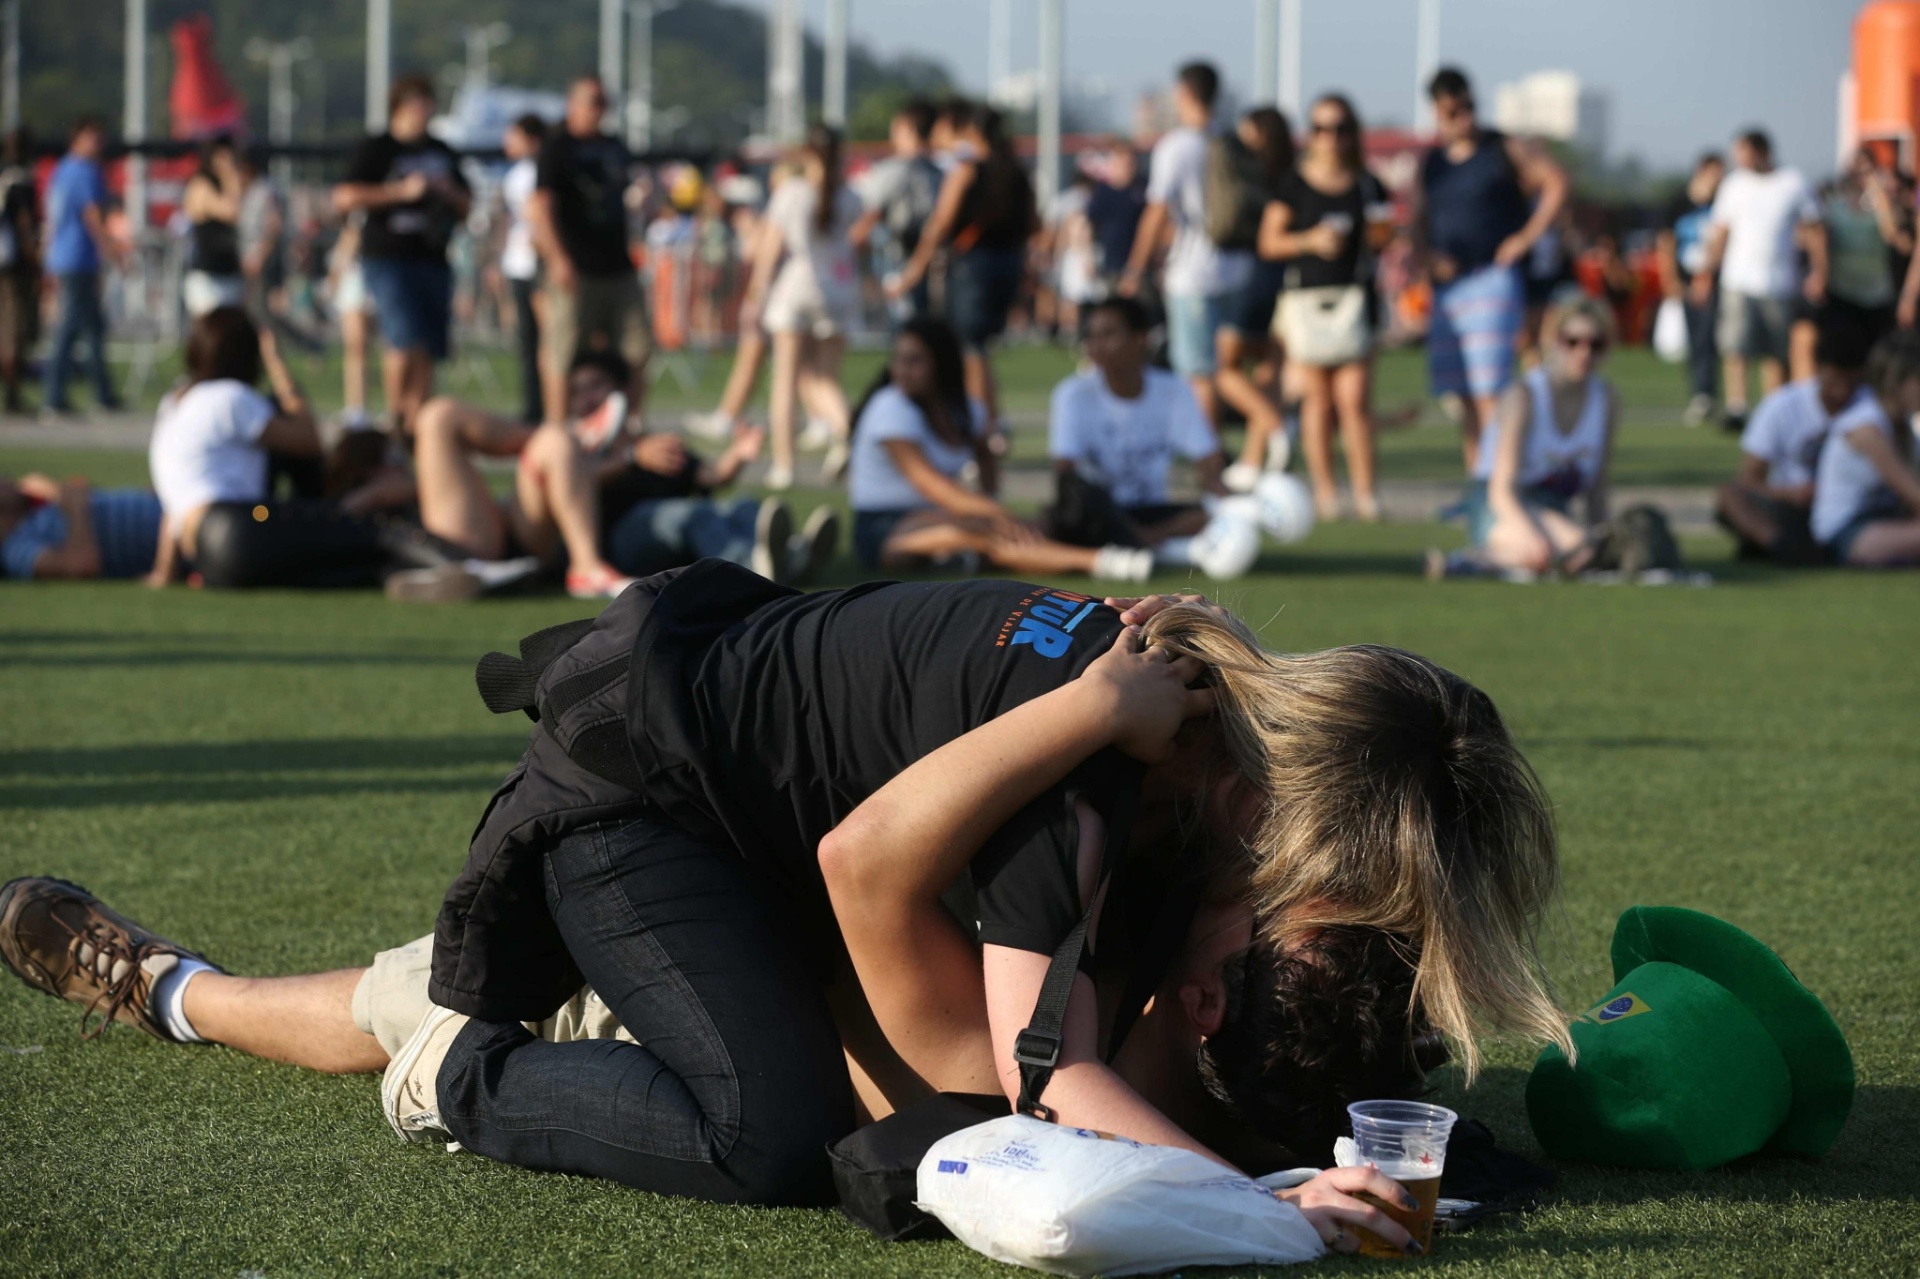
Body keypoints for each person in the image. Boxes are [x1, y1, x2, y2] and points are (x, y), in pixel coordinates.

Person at [850, 315, 1152, 581]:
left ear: (941, 364)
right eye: (898, 359)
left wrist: (991, 500)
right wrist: (997, 515)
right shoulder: (890, 407)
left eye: (915, 360)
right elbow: (931, 485)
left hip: (938, 515)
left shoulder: (962, 410)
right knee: (983, 533)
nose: (900, 370)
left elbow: (984, 453)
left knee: (1011, 529)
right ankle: (1106, 562)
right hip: (884, 527)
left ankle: (957, 559)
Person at [1411, 68, 1570, 472]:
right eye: (1451, 110)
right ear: (1437, 112)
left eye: (1466, 106)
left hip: (1491, 278)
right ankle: (1477, 477)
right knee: (1462, 391)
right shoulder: (1433, 163)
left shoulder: (1501, 147)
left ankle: (1498, 479)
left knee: (1490, 388)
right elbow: (1418, 217)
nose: (1462, 117)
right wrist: (1425, 256)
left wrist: (1525, 237)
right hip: (1448, 286)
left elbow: (1555, 182)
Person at [398, 351, 642, 600]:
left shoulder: (646, 446)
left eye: (597, 386)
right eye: (576, 391)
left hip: (535, 539)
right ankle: (580, 436)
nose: (586, 399)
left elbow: (664, 482)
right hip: (483, 536)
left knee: (557, 441)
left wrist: (631, 458)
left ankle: (587, 567)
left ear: (626, 390)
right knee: (436, 415)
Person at [1262, 93, 1392, 522]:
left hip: (1354, 301)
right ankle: (1326, 491)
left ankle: (1366, 492)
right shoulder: (1293, 184)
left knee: (1354, 399)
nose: (1330, 138)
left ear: (1352, 134)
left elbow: (1384, 234)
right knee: (1317, 401)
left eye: (1339, 129)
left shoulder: (1367, 183)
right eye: (1321, 128)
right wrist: (1309, 241)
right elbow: (1269, 241)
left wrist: (1384, 237)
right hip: (1307, 300)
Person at [1433, 296, 1619, 578]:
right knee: (1542, 552)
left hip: (1552, 504)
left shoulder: (1605, 400)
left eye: (1596, 345)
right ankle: (1469, 561)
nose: (1584, 353)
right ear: (1554, 341)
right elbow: (1501, 487)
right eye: (1573, 342)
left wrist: (1602, 537)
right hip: (1499, 502)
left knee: (1586, 552)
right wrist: (1528, 533)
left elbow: (1597, 486)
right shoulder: (1524, 396)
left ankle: (1483, 563)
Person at [890, 101, 1037, 440]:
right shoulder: (1015, 168)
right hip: (1009, 261)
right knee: (979, 349)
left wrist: (914, 270)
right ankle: (992, 418)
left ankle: (982, 426)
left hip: (972, 266)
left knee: (969, 350)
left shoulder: (966, 169)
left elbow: (940, 224)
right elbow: (1032, 222)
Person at [334, 75, 471, 435]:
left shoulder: (442, 151)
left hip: (433, 256)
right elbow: (346, 196)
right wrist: (400, 193)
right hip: (388, 255)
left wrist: (446, 191)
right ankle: (398, 416)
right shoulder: (377, 148)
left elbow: (468, 203)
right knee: (403, 338)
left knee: (428, 345)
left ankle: (419, 420)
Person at [1119, 62, 1249, 429]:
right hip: (1237, 268)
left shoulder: (1176, 146)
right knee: (1228, 368)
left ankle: (1210, 451)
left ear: (1184, 95)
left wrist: (1134, 269)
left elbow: (1157, 213)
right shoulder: (1230, 141)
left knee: (1198, 372)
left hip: (1193, 272)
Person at [1047, 296, 1224, 555]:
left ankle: (1141, 540)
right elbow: (1065, 472)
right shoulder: (1073, 394)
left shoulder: (1173, 390)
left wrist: (1225, 498)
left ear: (1140, 339)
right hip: (1097, 512)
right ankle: (1141, 542)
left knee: (1212, 516)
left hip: (1148, 509)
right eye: (1092, 336)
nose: (1096, 346)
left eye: (1109, 335)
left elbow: (1207, 458)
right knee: (1055, 518)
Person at [741, 123, 860, 491]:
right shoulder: (850, 197)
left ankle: (785, 464)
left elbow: (770, 249)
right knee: (825, 379)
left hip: (798, 287)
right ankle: (845, 432)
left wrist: (755, 294)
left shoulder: (792, 192)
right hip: (840, 288)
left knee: (786, 381)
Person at [530, 74, 650, 426]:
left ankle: (625, 424)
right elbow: (541, 206)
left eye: (603, 102)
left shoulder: (615, 146)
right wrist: (557, 259)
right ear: (573, 104)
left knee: (636, 348)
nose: (599, 110)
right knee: (563, 349)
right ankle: (556, 427)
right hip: (575, 266)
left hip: (616, 264)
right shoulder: (557, 148)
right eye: (592, 101)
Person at [1689, 130, 1824, 434]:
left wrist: (1819, 271)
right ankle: (1738, 407)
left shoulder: (1792, 182)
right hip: (1739, 280)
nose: (1739, 160)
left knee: (1775, 352)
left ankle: (1772, 409)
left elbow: (1815, 229)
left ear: (1762, 151)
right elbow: (1720, 232)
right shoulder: (1734, 185)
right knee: (1735, 346)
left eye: (1744, 152)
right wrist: (1705, 273)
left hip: (1779, 282)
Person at [1716, 312, 1872, 564]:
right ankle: (1781, 546)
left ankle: (1780, 546)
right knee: (1730, 495)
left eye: (1850, 383)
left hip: (1849, 508)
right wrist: (1788, 493)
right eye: (1835, 381)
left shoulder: (1868, 407)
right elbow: (1749, 476)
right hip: (1792, 507)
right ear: (1818, 369)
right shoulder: (1783, 405)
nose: (1842, 392)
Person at [1214, 107, 1295, 478]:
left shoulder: (1251, 174)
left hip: (1254, 275)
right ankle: (1253, 458)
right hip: (1285, 279)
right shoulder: (1293, 174)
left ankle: (1275, 425)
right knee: (1268, 371)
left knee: (1225, 368)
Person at [1808, 328, 1920, 567]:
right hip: (1845, 533)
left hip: (1882, 521)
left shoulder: (1903, 425)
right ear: (1896, 382)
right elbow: (1912, 492)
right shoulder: (1866, 429)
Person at [43, 116, 122, 416]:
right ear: (77, 137)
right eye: (93, 137)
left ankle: (103, 393)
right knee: (69, 330)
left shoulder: (62, 169)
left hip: (65, 258)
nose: (98, 143)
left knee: (92, 329)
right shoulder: (86, 171)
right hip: (76, 259)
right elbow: (93, 216)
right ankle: (53, 396)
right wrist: (111, 252)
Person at [852, 96, 942, 318]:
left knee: (906, 330)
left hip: (899, 257)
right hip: (938, 262)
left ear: (909, 129)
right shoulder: (941, 173)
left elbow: (868, 217)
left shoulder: (894, 170)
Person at [1657, 152, 1727, 424]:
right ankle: (1700, 393)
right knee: (1695, 338)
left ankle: (1710, 394)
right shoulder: (1678, 203)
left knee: (1712, 338)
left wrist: (1707, 276)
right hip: (1687, 280)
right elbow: (1666, 242)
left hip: (1715, 281)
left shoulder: (1724, 203)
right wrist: (1670, 279)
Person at [0, 472, 161, 581]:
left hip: (163, 507)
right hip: (165, 537)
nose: (5, 479)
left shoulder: (34, 509)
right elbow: (81, 565)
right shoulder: (15, 549)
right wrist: (76, 509)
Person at [499, 113, 547, 425]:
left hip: (536, 265)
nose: (507, 142)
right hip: (520, 263)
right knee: (531, 341)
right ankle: (535, 405)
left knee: (543, 341)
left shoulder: (535, 173)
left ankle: (543, 405)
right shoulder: (518, 174)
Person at [0, 127, 43, 414]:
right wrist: (36, 260)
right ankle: (12, 395)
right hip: (14, 267)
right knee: (16, 330)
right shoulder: (20, 181)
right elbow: (25, 225)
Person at [180, 136, 246, 318]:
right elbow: (231, 212)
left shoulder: (226, 186)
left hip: (228, 271)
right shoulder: (202, 185)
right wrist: (231, 177)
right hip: (207, 276)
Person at [323, 215, 378, 429]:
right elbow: (349, 236)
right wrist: (336, 272)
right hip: (356, 277)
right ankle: (356, 408)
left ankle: (363, 407)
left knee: (368, 349)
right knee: (356, 348)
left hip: (374, 271)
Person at [1085, 139, 1147, 292]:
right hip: (1111, 265)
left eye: (1130, 162)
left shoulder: (1144, 189)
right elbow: (1090, 225)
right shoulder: (1102, 192)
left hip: (1142, 266)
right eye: (1122, 162)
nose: (1127, 167)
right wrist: (1088, 258)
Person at [237, 151, 288, 323]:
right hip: (253, 261)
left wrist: (259, 256)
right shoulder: (251, 190)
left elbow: (274, 226)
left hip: (262, 262)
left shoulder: (264, 190)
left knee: (262, 316)